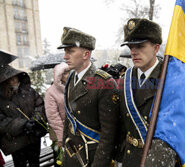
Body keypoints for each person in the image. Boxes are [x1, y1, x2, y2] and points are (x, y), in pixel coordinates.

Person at [57, 27, 119, 167]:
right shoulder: (71, 77)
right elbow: (69, 118)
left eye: (70, 51)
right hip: (72, 152)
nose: (65, 56)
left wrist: (98, 164)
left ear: (86, 54)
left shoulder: (104, 82)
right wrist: (65, 144)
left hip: (90, 156)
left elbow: (108, 134)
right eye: (65, 51)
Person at [119, 18, 177, 167]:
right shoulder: (127, 77)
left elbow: (175, 130)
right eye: (131, 46)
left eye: (140, 46)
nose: (133, 52)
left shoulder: (172, 78)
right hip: (129, 158)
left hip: (156, 159)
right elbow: (120, 124)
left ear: (156, 48)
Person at [0, 64, 47, 167]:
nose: (15, 80)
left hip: (33, 137)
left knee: (35, 163)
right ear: (4, 82)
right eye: (10, 79)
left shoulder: (29, 91)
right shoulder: (1, 99)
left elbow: (39, 105)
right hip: (17, 142)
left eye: (15, 76)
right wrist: (23, 125)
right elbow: (2, 121)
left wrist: (36, 119)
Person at [44, 62, 70, 166]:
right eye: (64, 73)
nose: (67, 75)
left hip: (73, 131)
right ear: (58, 75)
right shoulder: (51, 92)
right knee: (61, 161)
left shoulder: (72, 87)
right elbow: (53, 117)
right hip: (59, 132)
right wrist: (60, 137)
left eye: (68, 72)